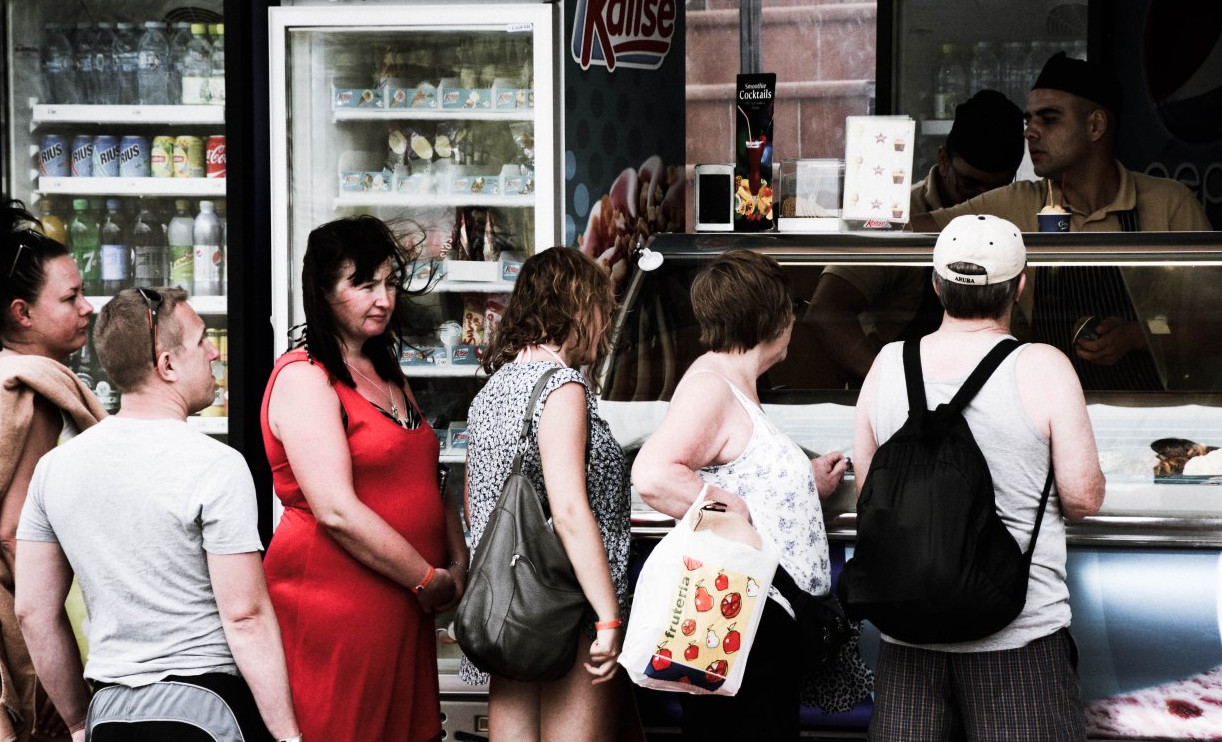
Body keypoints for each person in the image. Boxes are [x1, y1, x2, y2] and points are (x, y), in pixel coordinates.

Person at [854, 214, 1106, 741]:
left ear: (936, 284)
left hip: (907, 641)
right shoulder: (1043, 366)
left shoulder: (889, 363)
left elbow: (867, 492)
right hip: (1018, 644)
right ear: (1020, 285)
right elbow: (1082, 498)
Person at [14, 287, 301, 742]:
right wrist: (288, 736)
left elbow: (33, 612)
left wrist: (78, 723)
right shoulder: (216, 465)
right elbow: (245, 617)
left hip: (110, 712)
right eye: (202, 340)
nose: (214, 353)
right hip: (206, 710)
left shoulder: (54, 469)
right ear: (167, 365)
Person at [630, 250, 851, 740]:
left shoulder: (733, 383)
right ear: (774, 317)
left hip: (759, 621)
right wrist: (729, 508)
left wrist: (803, 483)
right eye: (791, 307)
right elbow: (653, 474)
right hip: (744, 618)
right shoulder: (711, 387)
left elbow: (740, 469)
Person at [261, 216, 464, 742]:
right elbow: (336, 510)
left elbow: (426, 473)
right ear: (323, 291)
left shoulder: (382, 367)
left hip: (402, 606)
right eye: (364, 284)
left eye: (390, 282)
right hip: (338, 607)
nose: (384, 299)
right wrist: (426, 578)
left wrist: (456, 561)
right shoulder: (305, 377)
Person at [910, 52, 1213, 391]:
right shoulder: (1018, 202)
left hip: (1153, 410)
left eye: (1049, 119)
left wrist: (1137, 335)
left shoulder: (1168, 203)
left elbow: (1211, 325)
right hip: (1052, 405)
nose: (1030, 132)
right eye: (1029, 120)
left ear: (1095, 126)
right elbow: (912, 231)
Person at [460, 246, 633, 741]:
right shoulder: (561, 386)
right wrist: (607, 617)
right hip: (567, 605)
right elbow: (571, 511)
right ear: (578, 307)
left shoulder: (492, 390)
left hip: (508, 605)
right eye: (602, 309)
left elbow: (476, 503)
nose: (605, 324)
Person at [0, 199, 103, 742]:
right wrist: (64, 684)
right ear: (22, 313)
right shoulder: (30, 393)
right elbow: (17, 536)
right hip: (52, 639)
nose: (87, 307)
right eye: (70, 297)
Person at [805, 90, 1025, 383]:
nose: (982, 200)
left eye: (997, 190)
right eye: (970, 185)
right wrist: (891, 385)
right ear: (944, 161)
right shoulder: (897, 217)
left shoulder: (1012, 214)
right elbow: (826, 311)